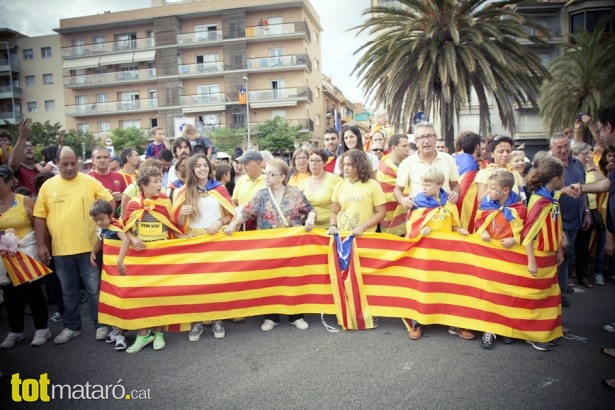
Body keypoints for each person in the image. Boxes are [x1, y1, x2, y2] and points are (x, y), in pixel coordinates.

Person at [33, 147, 115, 344]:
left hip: (90, 248)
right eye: (65, 164)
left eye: (73, 163)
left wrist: (104, 223)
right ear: (56, 163)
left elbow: (110, 201)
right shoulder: (48, 185)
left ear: (78, 161)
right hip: (61, 250)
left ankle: (101, 325)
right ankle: (72, 327)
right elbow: (39, 216)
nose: (70, 168)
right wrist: (42, 245)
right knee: (68, 291)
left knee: (94, 290)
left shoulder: (89, 181)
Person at [224, 159, 316, 332]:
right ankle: (270, 316)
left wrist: (310, 219)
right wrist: (233, 224)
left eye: (271, 174)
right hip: (269, 248)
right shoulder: (261, 195)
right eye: (266, 173)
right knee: (270, 280)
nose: (267, 176)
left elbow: (310, 210)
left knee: (293, 280)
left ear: (282, 177)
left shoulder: (295, 193)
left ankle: (296, 315)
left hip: (292, 247)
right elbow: (245, 213)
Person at [120, 166, 184, 353]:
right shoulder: (132, 204)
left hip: (161, 255)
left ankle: (158, 333)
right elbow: (126, 228)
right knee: (139, 296)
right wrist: (133, 239)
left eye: (160, 180)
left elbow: (172, 226)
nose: (160, 185)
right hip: (140, 257)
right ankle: (142, 334)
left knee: (159, 295)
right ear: (143, 185)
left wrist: (187, 241)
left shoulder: (165, 201)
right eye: (155, 182)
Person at [173, 154, 235, 341]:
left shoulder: (220, 189)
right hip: (193, 240)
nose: (202, 169)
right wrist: (182, 215)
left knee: (216, 282)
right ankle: (197, 322)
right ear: (191, 169)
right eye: (198, 166)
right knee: (196, 283)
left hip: (215, 239)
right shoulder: (182, 191)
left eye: (205, 165)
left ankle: (217, 319)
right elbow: (176, 223)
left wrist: (219, 221)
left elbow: (230, 215)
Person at [403, 167, 469, 341]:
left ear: (439, 184)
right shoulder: (418, 202)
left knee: (448, 285)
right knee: (423, 285)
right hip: (425, 255)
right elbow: (410, 227)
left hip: (446, 254)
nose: (423, 187)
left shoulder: (449, 203)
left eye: (427, 184)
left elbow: (454, 224)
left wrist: (459, 230)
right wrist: (420, 229)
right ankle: (417, 321)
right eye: (422, 183)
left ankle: (453, 323)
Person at [474, 169, 527, 349]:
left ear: (505, 190)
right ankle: (488, 331)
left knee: (507, 293)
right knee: (489, 293)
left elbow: (525, 229)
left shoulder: (519, 207)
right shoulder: (487, 203)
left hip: (509, 259)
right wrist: (484, 232)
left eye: (492, 188)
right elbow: (479, 220)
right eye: (488, 187)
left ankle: (506, 329)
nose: (489, 192)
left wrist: (515, 239)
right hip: (489, 257)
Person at [0, 166, 51, 349]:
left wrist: (42, 245)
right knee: (10, 293)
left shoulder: (24, 200)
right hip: (4, 255)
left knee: (33, 290)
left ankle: (42, 328)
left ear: (9, 183)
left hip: (26, 250)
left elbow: (38, 222)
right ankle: (16, 330)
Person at [521, 156, 566, 351]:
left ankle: (549, 330)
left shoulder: (550, 198)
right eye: (562, 177)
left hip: (549, 255)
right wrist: (531, 261)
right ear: (556, 178)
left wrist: (559, 250)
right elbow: (528, 235)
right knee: (537, 298)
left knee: (550, 295)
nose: (564, 180)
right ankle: (534, 335)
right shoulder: (541, 203)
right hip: (539, 256)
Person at [88, 199, 134, 351]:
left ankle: (121, 333)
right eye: (96, 220)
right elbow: (101, 240)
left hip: (120, 268)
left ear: (110, 215)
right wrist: (93, 252)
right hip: (110, 269)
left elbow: (126, 239)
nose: (99, 223)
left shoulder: (114, 226)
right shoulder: (104, 227)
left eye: (101, 219)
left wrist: (120, 260)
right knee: (112, 297)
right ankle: (116, 327)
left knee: (122, 297)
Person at [394, 121, 460, 214]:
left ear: (435, 139)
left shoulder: (448, 159)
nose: (426, 141)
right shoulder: (407, 163)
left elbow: (455, 185)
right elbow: (398, 190)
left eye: (429, 136)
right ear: (416, 142)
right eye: (421, 137)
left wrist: (455, 193)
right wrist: (402, 200)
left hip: (444, 215)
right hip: (419, 216)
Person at [572, 142, 607, 288]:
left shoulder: (591, 168)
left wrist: (592, 164)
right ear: (575, 154)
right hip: (573, 210)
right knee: (570, 244)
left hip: (590, 210)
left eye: (589, 153)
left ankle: (583, 275)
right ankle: (568, 275)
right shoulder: (571, 169)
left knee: (583, 245)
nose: (588, 156)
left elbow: (605, 182)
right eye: (584, 154)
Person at [328, 149, 386, 236]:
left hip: (365, 236)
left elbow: (381, 213)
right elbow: (334, 212)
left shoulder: (373, 185)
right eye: (344, 164)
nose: (345, 168)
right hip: (343, 236)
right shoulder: (339, 185)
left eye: (349, 164)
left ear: (360, 165)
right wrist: (332, 225)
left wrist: (363, 227)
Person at [298, 149, 342, 230]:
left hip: (330, 228)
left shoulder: (336, 180)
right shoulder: (302, 184)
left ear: (325, 163)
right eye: (311, 160)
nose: (313, 163)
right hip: (309, 229)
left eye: (317, 160)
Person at [376, 133, 410, 236]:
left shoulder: (409, 163)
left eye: (408, 145)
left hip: (410, 220)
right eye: (404, 146)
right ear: (394, 148)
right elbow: (385, 195)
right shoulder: (384, 169)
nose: (408, 149)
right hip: (391, 220)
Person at [88, 146, 127, 213]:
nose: (102, 160)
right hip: (96, 220)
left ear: (110, 159)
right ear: (93, 160)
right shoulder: (88, 178)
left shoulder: (119, 176)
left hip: (116, 221)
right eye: (98, 157)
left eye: (105, 157)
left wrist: (122, 197)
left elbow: (128, 198)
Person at [8, 120, 39, 195]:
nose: (28, 148)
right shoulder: (18, 169)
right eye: (25, 147)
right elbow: (13, 164)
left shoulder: (41, 167)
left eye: (30, 146)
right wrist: (22, 136)